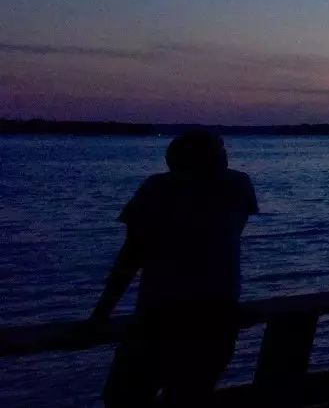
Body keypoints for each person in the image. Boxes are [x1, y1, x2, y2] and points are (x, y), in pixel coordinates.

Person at [92, 131, 259, 407]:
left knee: (123, 397)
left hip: (161, 317)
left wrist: (101, 314)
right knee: (189, 395)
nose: (225, 155)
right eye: (220, 151)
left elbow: (131, 256)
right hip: (218, 315)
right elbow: (230, 237)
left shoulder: (156, 189)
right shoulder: (238, 185)